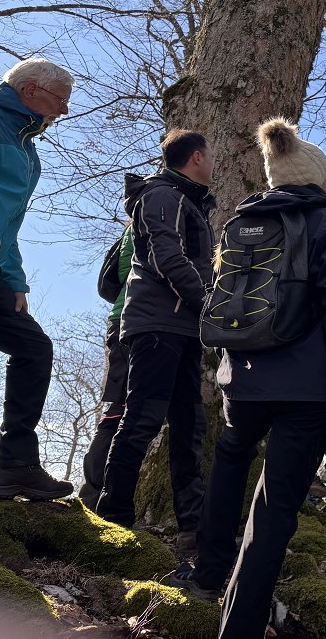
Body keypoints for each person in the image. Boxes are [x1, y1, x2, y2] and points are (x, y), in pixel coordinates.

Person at [168, 117, 326, 638]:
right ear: (318, 180)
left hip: (242, 377)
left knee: (228, 473)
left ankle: (207, 574)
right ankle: (239, 624)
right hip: (309, 391)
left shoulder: (240, 223)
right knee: (275, 505)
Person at [96, 129, 216, 555]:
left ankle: (192, 529)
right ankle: (112, 520)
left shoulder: (189, 201)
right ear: (197, 157)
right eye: (211, 155)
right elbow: (166, 258)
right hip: (155, 326)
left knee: (190, 427)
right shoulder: (162, 195)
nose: (214, 162)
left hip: (183, 329)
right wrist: (210, 305)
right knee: (142, 419)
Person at [0, 57, 75, 500]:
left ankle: (16, 464)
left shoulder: (27, 150)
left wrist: (15, 280)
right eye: (61, 100)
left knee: (34, 348)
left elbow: (9, 223)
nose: (64, 110)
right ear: (30, 90)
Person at [79, 224, 134, 506]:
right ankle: (92, 495)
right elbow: (129, 271)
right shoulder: (147, 211)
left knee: (120, 409)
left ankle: (97, 493)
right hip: (132, 321)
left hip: (132, 321)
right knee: (118, 410)